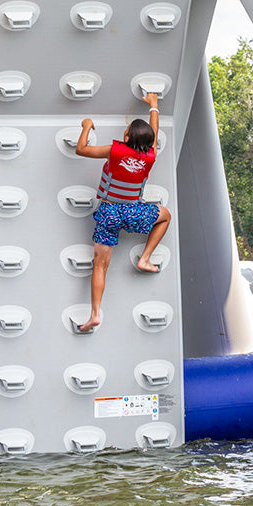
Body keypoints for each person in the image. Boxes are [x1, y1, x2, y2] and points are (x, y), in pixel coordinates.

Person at [75, 92, 171, 332]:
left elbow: (81, 149)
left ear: (126, 137)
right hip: (132, 212)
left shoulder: (114, 151)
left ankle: (94, 314)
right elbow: (155, 132)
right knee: (165, 215)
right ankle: (145, 258)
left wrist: (86, 125)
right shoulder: (150, 156)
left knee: (100, 266)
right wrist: (154, 105)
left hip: (109, 213)